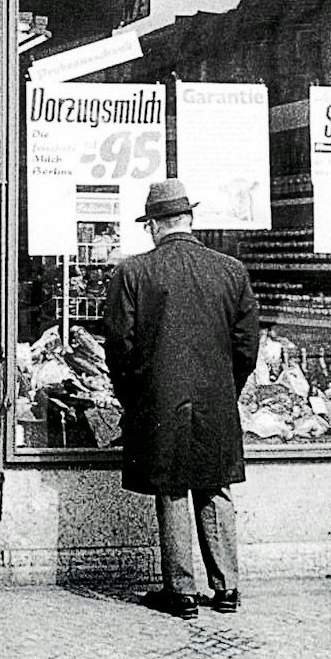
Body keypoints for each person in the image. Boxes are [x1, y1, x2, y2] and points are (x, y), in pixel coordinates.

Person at [102, 178, 260, 619]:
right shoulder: (231, 271)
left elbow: (120, 348)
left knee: (171, 488)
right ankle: (226, 588)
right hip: (216, 398)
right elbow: (247, 346)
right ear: (189, 219)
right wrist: (227, 387)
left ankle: (182, 592)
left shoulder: (133, 273)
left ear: (154, 225)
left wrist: (135, 396)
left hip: (159, 400)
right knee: (216, 485)